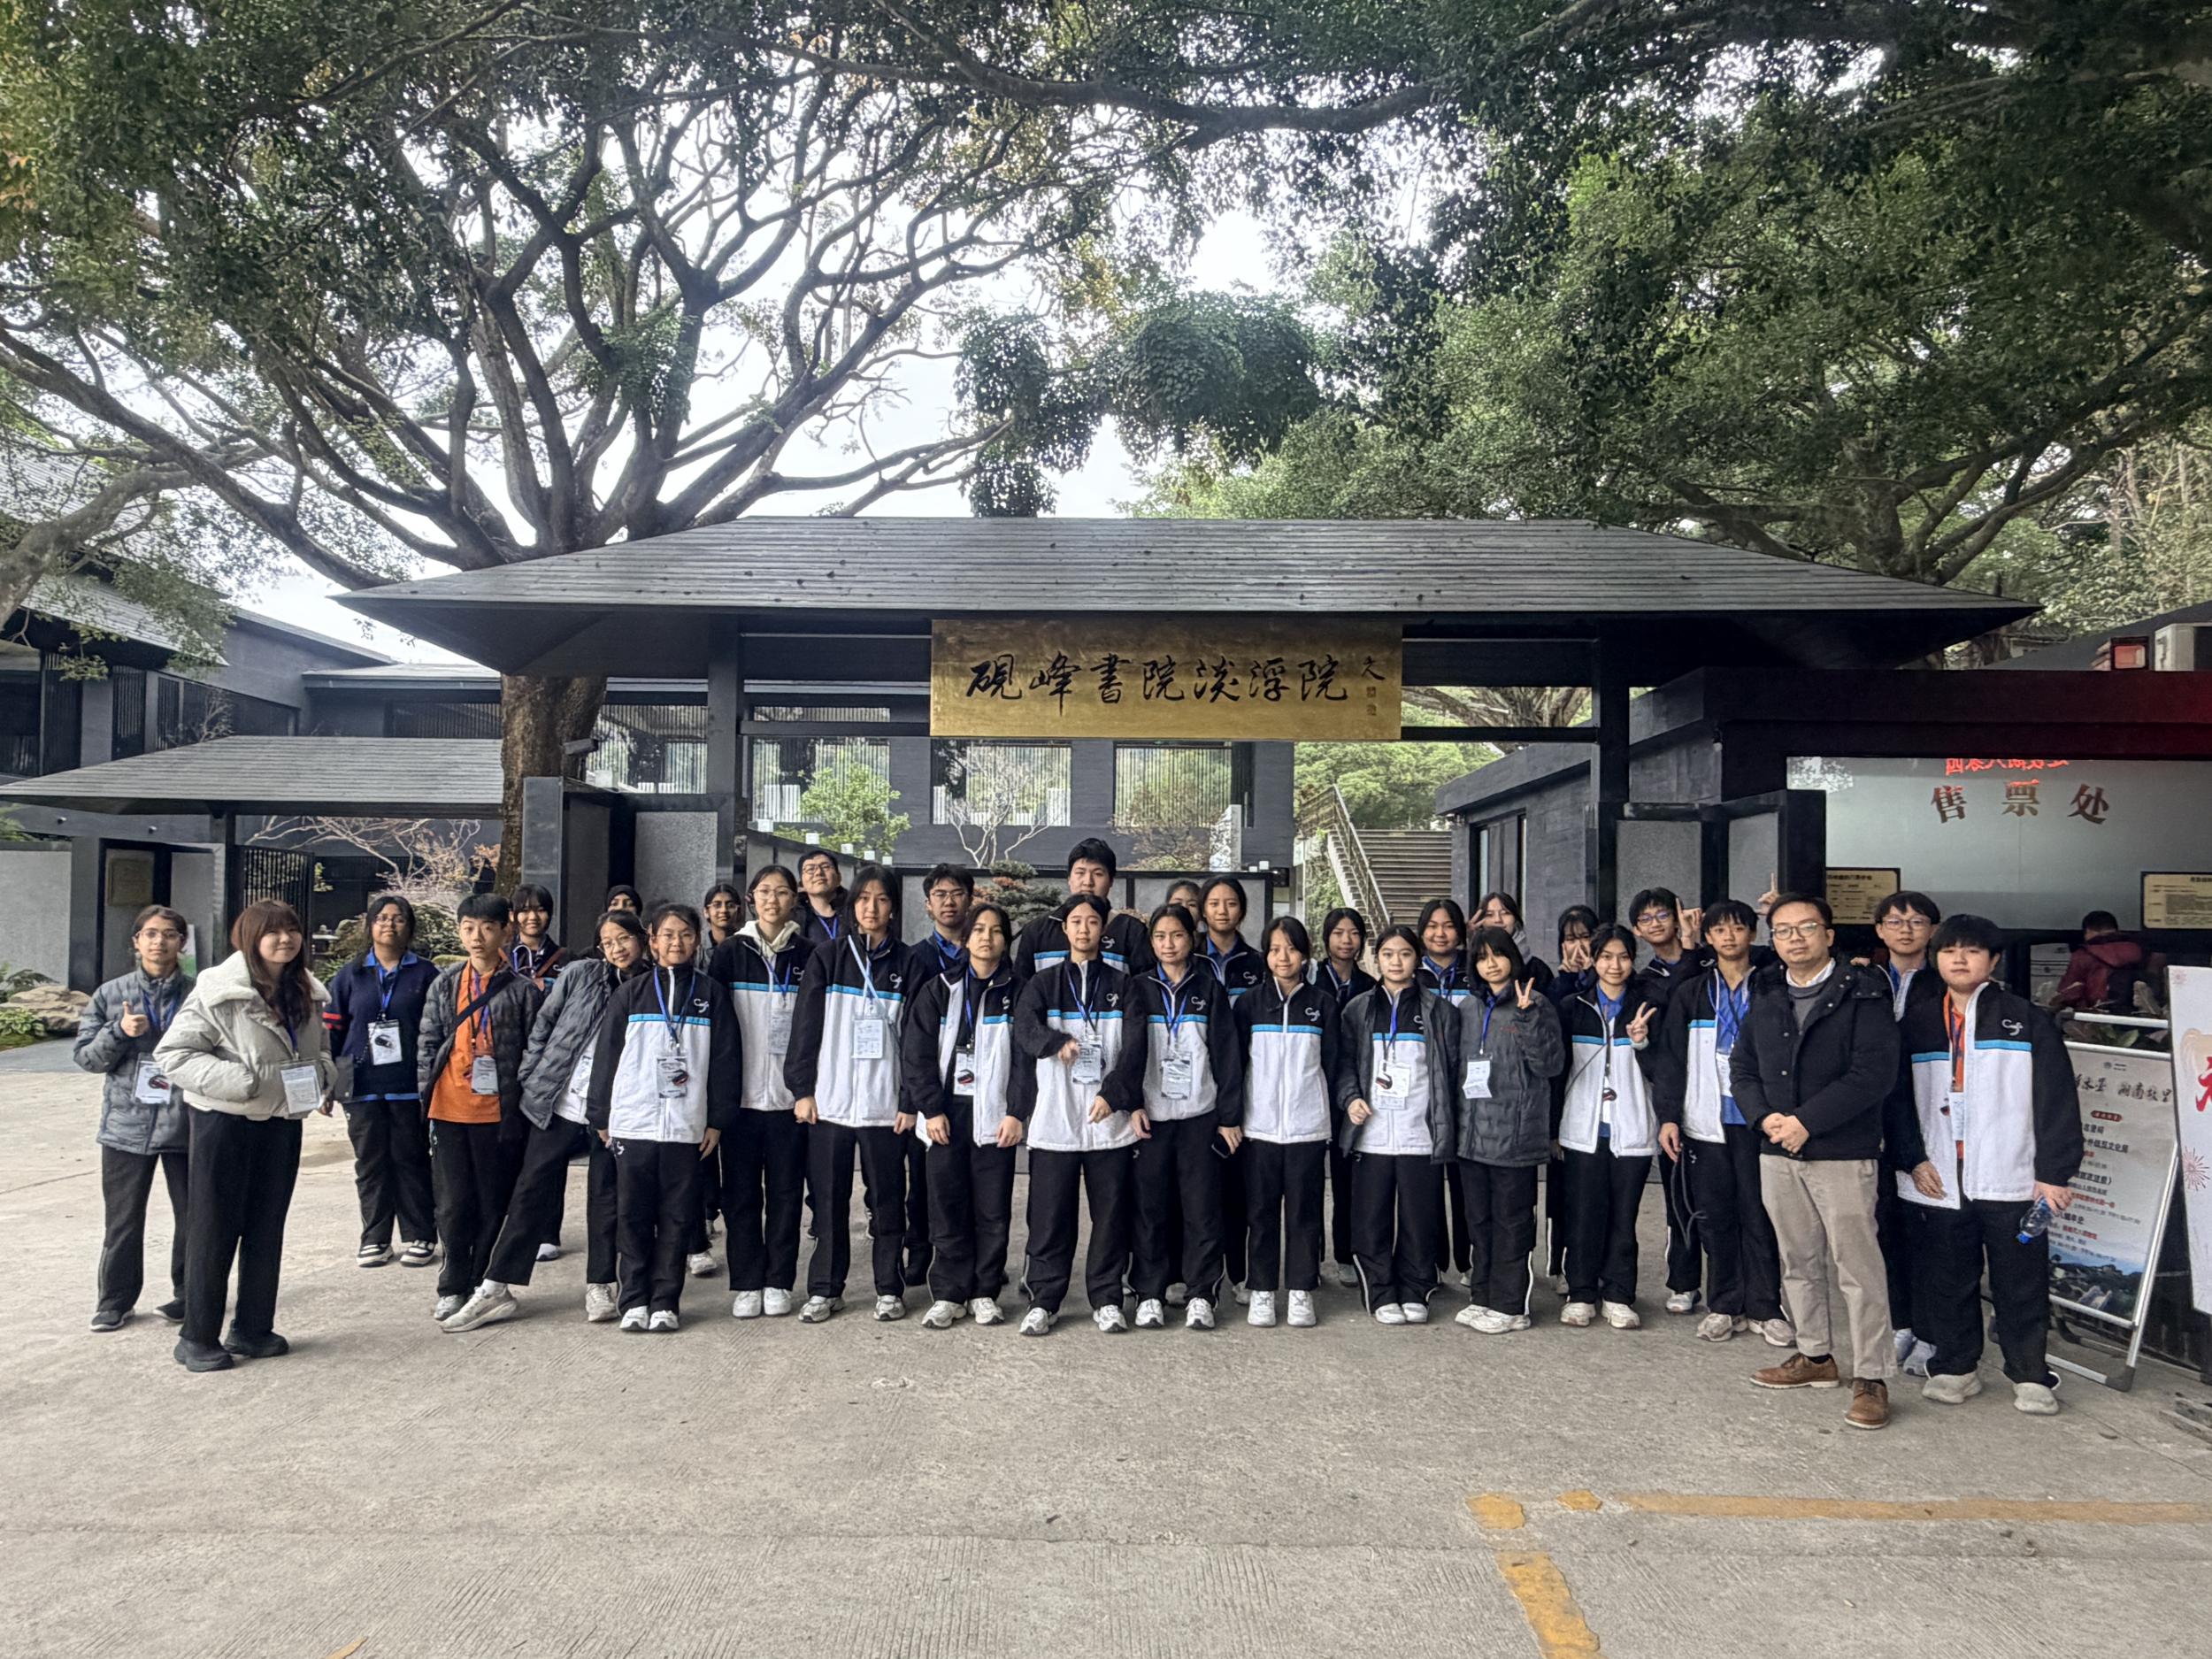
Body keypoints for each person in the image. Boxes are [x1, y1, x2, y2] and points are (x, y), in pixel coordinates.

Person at [1891, 914, 2082, 1417]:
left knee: (2020, 1280)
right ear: (1936, 959)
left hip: (2011, 1173)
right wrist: (1912, 1159)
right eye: (1949, 950)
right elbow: (1897, 1101)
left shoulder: (2026, 1019)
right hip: (1939, 1175)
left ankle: (2030, 1373)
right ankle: (1956, 1367)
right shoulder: (1917, 1023)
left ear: (1993, 960)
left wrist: (2054, 1173)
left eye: (1972, 950)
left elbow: (2057, 1099)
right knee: (1947, 1276)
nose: (1959, 959)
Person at [1734, 894, 1902, 1431]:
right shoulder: (1767, 992)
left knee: (1857, 1266)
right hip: (1777, 1148)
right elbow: (1743, 1068)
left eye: (1807, 927)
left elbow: (1873, 1075)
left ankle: (1871, 1376)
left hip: (1842, 1151)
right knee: (1797, 1258)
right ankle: (1814, 1356)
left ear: (1829, 935)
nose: (1795, 938)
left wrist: (1806, 1121)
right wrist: (1764, 1119)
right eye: (1783, 931)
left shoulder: (1864, 991)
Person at [443, 910, 649, 1330]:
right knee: (530, 1190)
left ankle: (600, 1283)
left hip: (615, 1110)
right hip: (561, 1099)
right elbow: (544, 1024)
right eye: (608, 942)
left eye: (624, 939)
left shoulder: (651, 985)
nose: (617, 948)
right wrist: (531, 1075)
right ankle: (496, 1286)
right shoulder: (581, 974)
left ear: (642, 938)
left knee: (605, 1196)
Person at [155, 900, 337, 1372]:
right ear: (250, 938)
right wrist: (243, 1082)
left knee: (266, 1228)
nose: (285, 939)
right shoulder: (220, 990)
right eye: (273, 932)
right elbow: (173, 1054)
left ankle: (253, 1329)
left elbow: (320, 1046)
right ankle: (196, 1337)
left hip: (282, 1123)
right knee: (214, 1230)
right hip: (224, 1124)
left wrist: (323, 1074)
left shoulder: (306, 991)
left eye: (292, 930)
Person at [584, 903, 741, 1333]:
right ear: (652, 941)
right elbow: (607, 1058)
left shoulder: (711, 994)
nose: (677, 942)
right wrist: (601, 1114)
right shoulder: (630, 994)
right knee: (632, 1215)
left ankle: (666, 1301)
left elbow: (726, 1061)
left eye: (686, 934)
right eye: (668, 935)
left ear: (697, 940)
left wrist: (717, 1120)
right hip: (633, 1121)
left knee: (677, 1215)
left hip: (687, 1125)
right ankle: (634, 1299)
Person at [1009, 892, 1148, 1335]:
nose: (1084, 928)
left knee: (1110, 1217)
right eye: (1076, 921)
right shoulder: (1043, 983)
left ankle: (1106, 1298)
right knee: (1050, 1218)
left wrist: (1115, 1093)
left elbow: (1135, 1047)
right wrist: (1055, 1044)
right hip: (1056, 1119)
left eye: (1092, 921)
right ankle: (1045, 1300)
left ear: (1103, 931)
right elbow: (1024, 1028)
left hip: (1109, 1122)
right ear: (1065, 929)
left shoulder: (1123, 985)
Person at [1654, 900, 1791, 1347]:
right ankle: (1724, 1304)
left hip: (1759, 1119)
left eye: (1738, 928)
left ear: (1753, 933)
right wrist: (1668, 1117)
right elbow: (1671, 1059)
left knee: (1760, 1214)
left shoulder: (1773, 986)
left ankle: (1766, 1306)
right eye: (1720, 930)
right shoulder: (1692, 992)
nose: (1729, 937)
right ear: (1708, 938)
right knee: (1715, 1215)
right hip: (1705, 1119)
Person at [785, 864, 911, 1323]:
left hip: (885, 1108)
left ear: (893, 906)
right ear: (852, 905)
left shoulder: (909, 963)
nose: (871, 907)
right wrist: (802, 1089)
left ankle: (888, 1288)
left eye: (881, 899)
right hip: (831, 1103)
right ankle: (825, 1289)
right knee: (829, 1202)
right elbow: (805, 1027)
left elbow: (917, 1042)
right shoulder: (828, 957)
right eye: (863, 898)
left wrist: (909, 1101)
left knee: (887, 1202)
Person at [417, 894, 545, 1324]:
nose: (477, 937)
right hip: (448, 1107)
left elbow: (533, 1050)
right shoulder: (445, 984)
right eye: (469, 928)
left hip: (498, 1112)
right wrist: (425, 1099)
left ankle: (482, 1283)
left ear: (506, 932)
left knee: (493, 1201)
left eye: (488, 928)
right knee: (452, 1202)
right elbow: (427, 1044)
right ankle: (452, 1284)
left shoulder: (523, 991)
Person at [901, 902, 1025, 1328]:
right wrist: (931, 1109)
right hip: (947, 1115)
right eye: (979, 930)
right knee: (946, 1205)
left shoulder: (1018, 992)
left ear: (1006, 940)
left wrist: (1016, 1112)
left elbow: (1026, 1061)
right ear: (966, 938)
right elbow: (916, 1054)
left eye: (996, 930)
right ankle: (950, 1293)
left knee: (992, 1211)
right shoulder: (939, 989)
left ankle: (984, 1291)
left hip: (996, 1116)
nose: (987, 938)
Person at [1333, 926, 1460, 1325]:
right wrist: (1351, 1098)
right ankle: (1381, 1291)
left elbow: (1451, 1071)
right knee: (1371, 1218)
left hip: (1419, 1132)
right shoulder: (1358, 1009)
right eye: (1388, 954)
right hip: (1371, 1133)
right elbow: (1344, 1063)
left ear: (1417, 958)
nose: (1396, 961)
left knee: (1418, 1219)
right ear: (1377, 959)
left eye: (1405, 954)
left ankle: (1416, 1289)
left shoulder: (1440, 1011)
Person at [77, 903, 196, 1332]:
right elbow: (87, 1058)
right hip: (126, 1126)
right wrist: (119, 1032)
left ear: (182, 943)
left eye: (169, 934)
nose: (159, 942)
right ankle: (114, 1302)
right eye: (150, 934)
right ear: (137, 941)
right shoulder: (110, 994)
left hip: (186, 1122)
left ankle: (190, 1296)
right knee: (123, 1220)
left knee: (194, 1217)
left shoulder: (199, 993)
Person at [1126, 902, 1241, 1332]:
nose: (1168, 944)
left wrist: (1229, 1116)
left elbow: (1227, 1055)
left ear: (1192, 939)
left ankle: (1201, 1294)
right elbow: (1127, 1054)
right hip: (1152, 1118)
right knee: (1150, 1209)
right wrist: (1132, 1103)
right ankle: (1150, 1293)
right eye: (1160, 937)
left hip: (1199, 1115)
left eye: (1177, 935)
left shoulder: (1208, 989)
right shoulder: (1138, 988)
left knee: (1202, 1209)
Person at [1452, 926, 1565, 1334]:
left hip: (1515, 1137)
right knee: (1479, 1222)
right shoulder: (1468, 1007)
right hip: (1473, 1136)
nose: (1491, 964)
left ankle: (1511, 1304)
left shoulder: (1535, 1003)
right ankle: (1482, 1297)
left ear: (1513, 959)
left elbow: (1550, 1065)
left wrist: (1527, 1016)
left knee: (1512, 1224)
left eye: (1498, 955)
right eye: (1482, 958)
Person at [712, 864, 810, 1319]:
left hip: (791, 1102)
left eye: (782, 892)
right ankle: (748, 1281)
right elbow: (714, 1029)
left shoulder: (809, 955)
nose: (773, 899)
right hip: (742, 1100)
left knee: (787, 1195)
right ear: (752, 898)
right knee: (741, 1196)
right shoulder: (730, 953)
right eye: (765, 891)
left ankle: (779, 1280)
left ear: (795, 899)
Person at [1555, 925, 1663, 1330]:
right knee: (1583, 1215)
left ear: (1633, 960)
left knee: (1623, 1218)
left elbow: (1664, 1068)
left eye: (1623, 957)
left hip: (1631, 1126)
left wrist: (1642, 1042)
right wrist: (1552, 1128)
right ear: (1593, 960)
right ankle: (1581, 1293)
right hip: (1583, 1128)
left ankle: (1618, 1294)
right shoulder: (1573, 1006)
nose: (1614, 965)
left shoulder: (1649, 1005)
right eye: (1606, 957)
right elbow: (1557, 1071)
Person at [323, 895, 440, 1270]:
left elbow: (438, 1031)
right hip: (361, 1085)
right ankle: (375, 1238)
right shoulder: (349, 976)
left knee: (412, 1158)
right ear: (370, 925)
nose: (390, 924)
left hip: (409, 1085)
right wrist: (326, 1084)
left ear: (410, 926)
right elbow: (332, 1033)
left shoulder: (426, 974)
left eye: (398, 918)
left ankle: (420, 1233)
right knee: (370, 1162)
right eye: (382, 918)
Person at [1238, 916, 1339, 1330]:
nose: (1284, 957)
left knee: (1304, 1212)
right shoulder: (1249, 1004)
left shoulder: (1323, 1005)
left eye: (1292, 949)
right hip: (1259, 1127)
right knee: (1260, 1213)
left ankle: (1301, 1289)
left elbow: (1333, 1065)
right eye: (1276, 949)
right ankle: (1262, 1289)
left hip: (1306, 1127)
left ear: (1305, 954)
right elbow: (1235, 1065)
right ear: (1265, 955)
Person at [1870, 889, 1945, 1375]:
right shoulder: (1863, 980)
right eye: (1895, 921)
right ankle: (1901, 1321)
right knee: (1884, 1228)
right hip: (1873, 1124)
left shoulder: (1945, 983)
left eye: (1917, 921)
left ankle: (1932, 1330)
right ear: (1879, 930)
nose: (1905, 929)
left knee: (1930, 1233)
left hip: (1932, 1121)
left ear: (1932, 930)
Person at [902, 863, 977, 1286]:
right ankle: (919, 1251)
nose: (949, 902)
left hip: (975, 1085)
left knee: (970, 1179)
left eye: (957, 894)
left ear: (971, 899)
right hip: (928, 1085)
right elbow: (910, 1032)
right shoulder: (917, 958)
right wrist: (913, 1098)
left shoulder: (985, 952)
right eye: (940, 895)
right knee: (922, 1177)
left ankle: (973, 1256)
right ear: (928, 905)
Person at [1543, 903, 1601, 1294]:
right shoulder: (1555, 986)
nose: (1577, 946)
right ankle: (1563, 1265)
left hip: (1605, 1103)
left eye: (1585, 937)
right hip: (1564, 1101)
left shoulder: (1613, 980)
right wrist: (1567, 981)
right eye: (1569, 938)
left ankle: (1597, 1266)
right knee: (1563, 1192)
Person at [1011, 838, 1155, 979]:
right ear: (1069, 878)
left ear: (1111, 880)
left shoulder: (1131, 931)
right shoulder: (1037, 930)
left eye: (1098, 874)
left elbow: (1144, 987)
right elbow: (1022, 986)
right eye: (1080, 873)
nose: (1088, 882)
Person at [2050, 910, 2145, 1015]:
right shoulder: (2138, 950)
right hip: (2137, 1013)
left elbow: (2069, 991)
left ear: (2088, 931)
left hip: (2098, 1014)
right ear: (2116, 930)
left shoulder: (2083, 955)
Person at [1475, 892, 1555, 993]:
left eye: (1505, 913)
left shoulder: (1537, 969)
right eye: (1489, 915)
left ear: (1516, 919)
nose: (1498, 920)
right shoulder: (1470, 962)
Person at [1414, 898, 1471, 1006]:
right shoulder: (1412, 971)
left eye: (1449, 926)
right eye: (1432, 926)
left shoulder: (1475, 970)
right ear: (1422, 932)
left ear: (1460, 931)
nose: (1440, 934)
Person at [507, 884, 566, 985]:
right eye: (525, 911)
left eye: (540, 910)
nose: (533, 917)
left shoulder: (566, 959)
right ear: (512, 915)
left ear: (550, 914)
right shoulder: (501, 958)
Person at [795, 848, 847, 947]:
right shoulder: (793, 917)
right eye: (810, 869)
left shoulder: (855, 911)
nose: (818, 872)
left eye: (825, 867)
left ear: (839, 878)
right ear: (801, 884)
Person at [701, 881, 744, 948]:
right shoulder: (698, 947)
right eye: (717, 905)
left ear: (738, 911)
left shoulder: (747, 946)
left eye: (730, 905)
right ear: (706, 912)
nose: (724, 910)